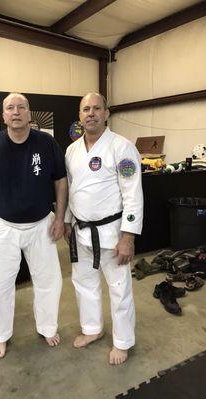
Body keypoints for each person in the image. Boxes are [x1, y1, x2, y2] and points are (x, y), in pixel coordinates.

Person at [0, 92, 67, 358]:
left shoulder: (46, 143)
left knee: (49, 281)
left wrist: (60, 218)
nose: (16, 112)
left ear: (30, 113)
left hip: (41, 223)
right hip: (1, 224)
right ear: (3, 115)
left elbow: (60, 181)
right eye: (10, 108)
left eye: (21, 107)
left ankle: (47, 327)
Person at [64, 92, 143, 365]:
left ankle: (122, 341)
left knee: (119, 287)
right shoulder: (72, 150)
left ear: (107, 113)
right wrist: (65, 220)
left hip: (112, 233)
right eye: (86, 109)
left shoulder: (122, 147)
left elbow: (133, 193)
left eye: (97, 108)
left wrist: (128, 237)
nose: (91, 113)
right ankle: (92, 329)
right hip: (81, 230)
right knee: (84, 283)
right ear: (79, 116)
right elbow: (71, 191)